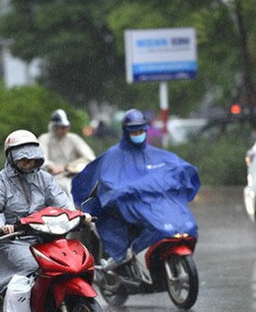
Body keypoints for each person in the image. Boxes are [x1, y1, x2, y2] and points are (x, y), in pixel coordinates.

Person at [0, 129, 76, 312]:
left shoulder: (44, 178)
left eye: (32, 157)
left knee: (70, 261)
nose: (28, 162)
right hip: (14, 241)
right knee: (31, 268)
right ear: (11, 157)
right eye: (23, 158)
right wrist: (1, 228)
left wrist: (78, 215)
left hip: (46, 237)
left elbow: (61, 201)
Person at [71, 109, 200, 271]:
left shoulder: (157, 155)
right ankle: (123, 258)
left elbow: (176, 168)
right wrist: (116, 191)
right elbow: (105, 180)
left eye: (141, 130)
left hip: (155, 202)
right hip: (128, 204)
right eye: (134, 131)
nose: (138, 134)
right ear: (126, 131)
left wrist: (182, 176)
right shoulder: (114, 156)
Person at [38, 109, 95, 200]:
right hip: (54, 178)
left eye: (66, 127)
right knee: (66, 187)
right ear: (54, 126)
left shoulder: (73, 138)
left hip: (75, 175)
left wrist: (74, 166)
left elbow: (89, 156)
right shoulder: (45, 139)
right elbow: (41, 158)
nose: (64, 130)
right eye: (61, 127)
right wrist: (50, 166)